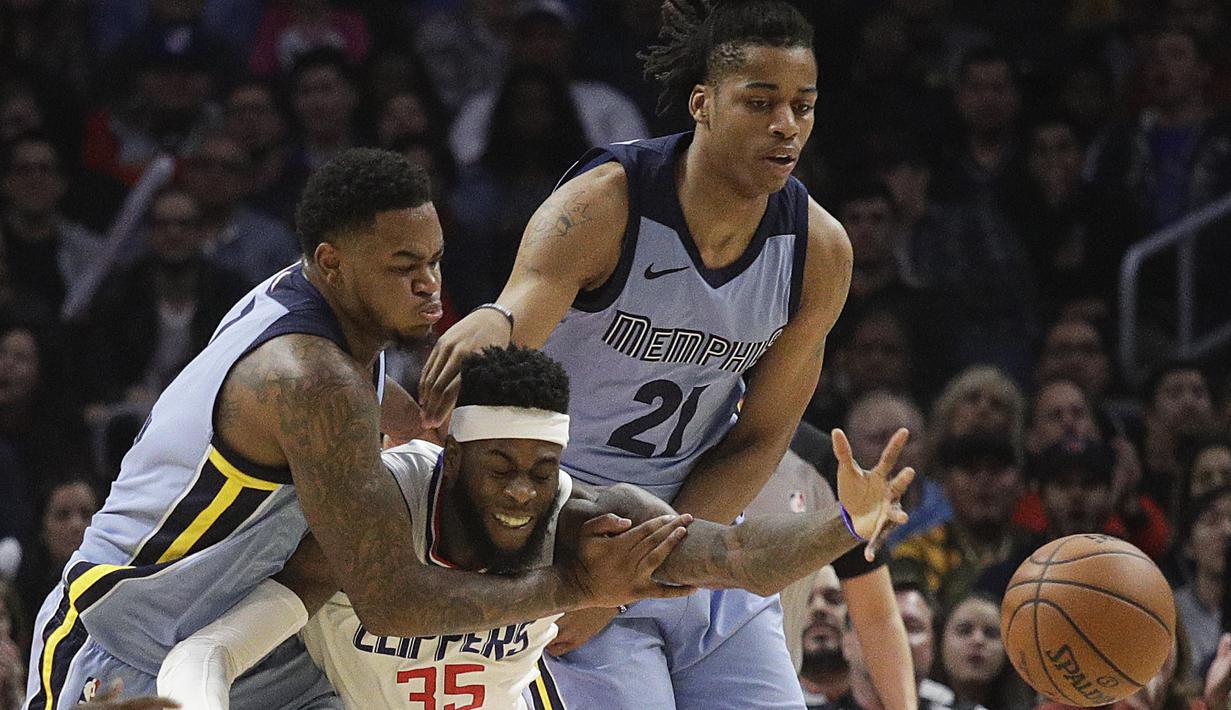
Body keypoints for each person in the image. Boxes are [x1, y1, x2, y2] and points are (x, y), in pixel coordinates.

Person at [21, 149, 707, 710]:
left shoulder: (324, 310)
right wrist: (574, 587)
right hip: (127, 642)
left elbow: (375, 409)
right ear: (331, 264)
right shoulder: (309, 377)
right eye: (404, 268)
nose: (430, 286)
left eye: (434, 260)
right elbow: (392, 601)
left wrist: (455, 434)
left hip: (262, 651)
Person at [419, 2, 919, 708]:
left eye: (802, 107)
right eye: (760, 102)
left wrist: (658, 568)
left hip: (697, 531)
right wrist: (490, 325)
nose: (786, 125)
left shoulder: (818, 251)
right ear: (702, 103)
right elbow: (507, 342)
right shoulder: (604, 205)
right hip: (571, 531)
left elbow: (757, 441)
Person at [156, 344, 913, 710]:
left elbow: (741, 555)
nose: (523, 491)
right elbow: (210, 652)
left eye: (541, 468)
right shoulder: (370, 516)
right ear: (451, 455)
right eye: (501, 467)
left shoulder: (582, 517)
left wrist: (846, 523)